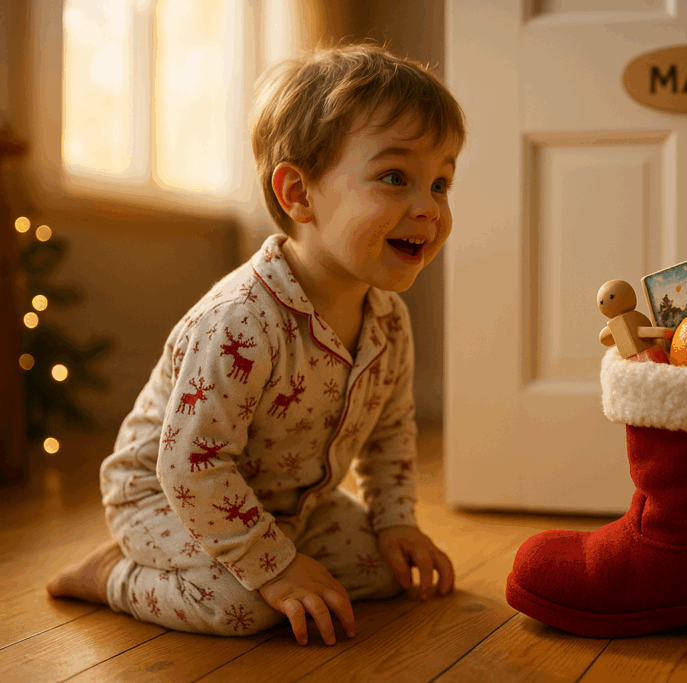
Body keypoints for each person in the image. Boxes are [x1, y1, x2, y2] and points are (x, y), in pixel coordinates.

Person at [46, 43, 465, 647]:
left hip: (288, 505)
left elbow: (391, 431)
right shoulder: (242, 320)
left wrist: (396, 521)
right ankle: (110, 573)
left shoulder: (389, 320)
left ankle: (266, 553)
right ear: (298, 194)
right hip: (167, 496)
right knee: (242, 606)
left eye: (442, 182)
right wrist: (274, 568)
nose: (428, 207)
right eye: (396, 177)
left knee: (382, 572)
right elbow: (192, 463)